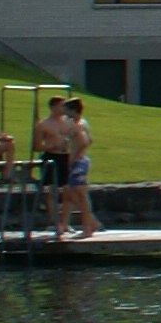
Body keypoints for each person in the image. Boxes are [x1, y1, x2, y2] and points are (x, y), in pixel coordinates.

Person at [30, 97, 75, 235]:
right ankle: (55, 222)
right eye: (61, 106)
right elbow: (36, 146)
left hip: (66, 156)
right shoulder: (43, 124)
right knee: (51, 191)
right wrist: (52, 146)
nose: (64, 109)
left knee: (69, 191)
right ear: (53, 107)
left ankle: (66, 223)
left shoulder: (69, 122)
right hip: (51, 156)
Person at [59, 96, 101, 238]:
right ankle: (91, 222)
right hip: (81, 160)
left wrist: (74, 157)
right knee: (69, 194)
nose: (64, 112)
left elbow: (84, 142)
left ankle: (88, 228)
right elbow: (90, 140)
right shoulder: (82, 122)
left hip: (78, 162)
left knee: (81, 195)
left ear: (72, 110)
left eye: (66, 109)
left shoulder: (78, 125)